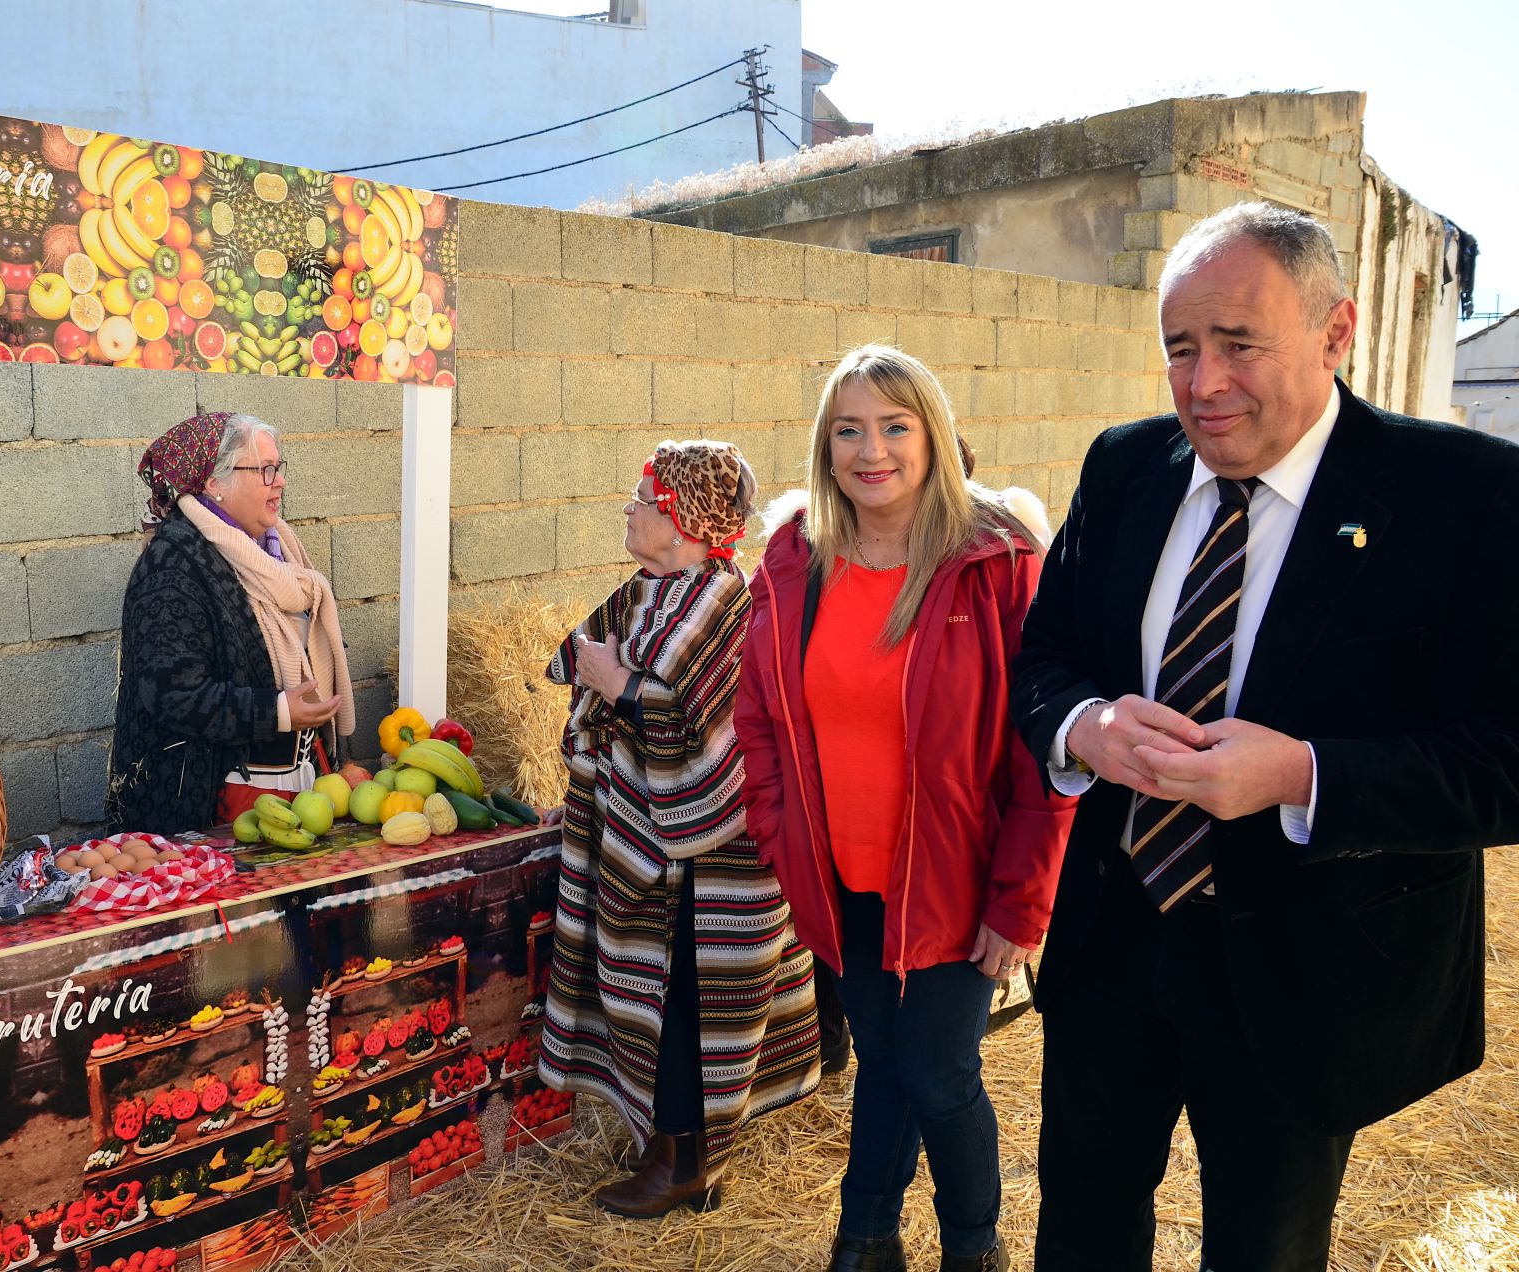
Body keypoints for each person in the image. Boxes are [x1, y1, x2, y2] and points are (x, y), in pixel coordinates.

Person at [1011, 201, 1519, 1270]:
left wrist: (1301, 775)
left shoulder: (1465, 495)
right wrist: (1087, 727)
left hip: (1310, 966)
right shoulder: (1122, 468)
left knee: (1265, 1249)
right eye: (1181, 350)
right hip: (1115, 946)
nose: (1203, 385)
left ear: (1336, 334)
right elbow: (1041, 661)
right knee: (1083, 1227)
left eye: (1239, 344)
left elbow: (1505, 757)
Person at [736, 345, 1072, 1272]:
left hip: (960, 881)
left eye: (894, 426)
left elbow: (1044, 753)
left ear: (932, 433)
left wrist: (1020, 903)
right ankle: (867, 1237)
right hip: (845, 875)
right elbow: (760, 716)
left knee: (938, 1071)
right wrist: (781, 838)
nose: (869, 450)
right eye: (848, 430)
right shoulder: (796, 562)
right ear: (824, 444)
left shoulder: (995, 563)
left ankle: (973, 1247)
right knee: (881, 1063)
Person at [538, 439, 822, 1219]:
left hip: (715, 853)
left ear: (684, 520)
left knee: (696, 1000)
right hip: (651, 846)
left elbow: (702, 735)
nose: (628, 507)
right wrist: (602, 687)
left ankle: (686, 1160)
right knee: (669, 997)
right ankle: (677, 1151)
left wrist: (620, 686)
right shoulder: (650, 591)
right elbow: (579, 661)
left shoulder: (725, 604)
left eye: (643, 497)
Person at [106, 412, 352, 837]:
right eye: (264, 470)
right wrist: (274, 712)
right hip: (209, 811)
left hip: (294, 793)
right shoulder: (173, 566)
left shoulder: (276, 552)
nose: (280, 482)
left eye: (279, 467)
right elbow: (169, 691)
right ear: (214, 484)